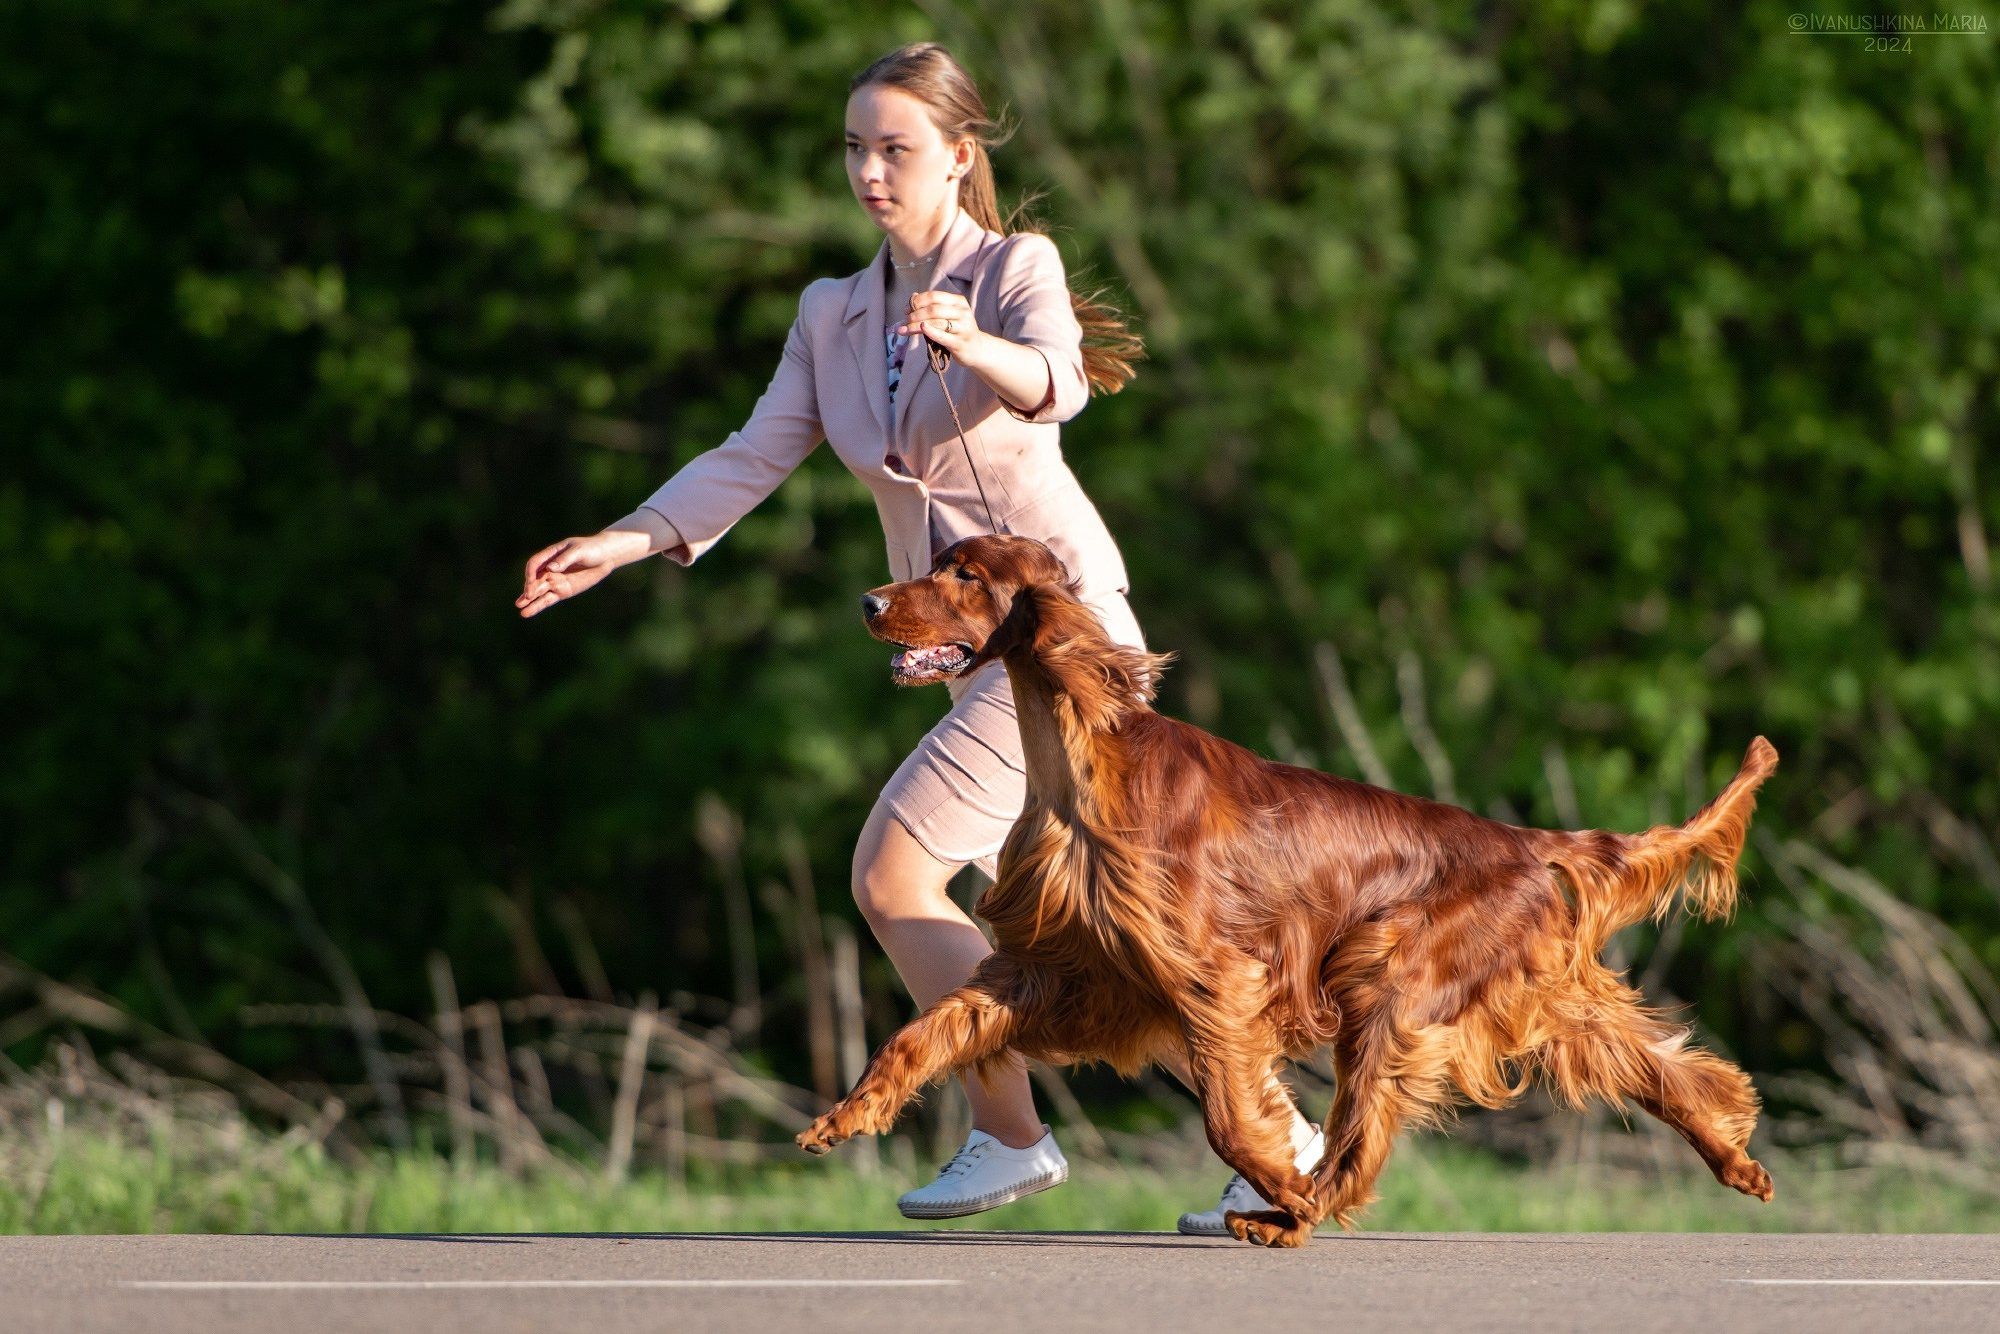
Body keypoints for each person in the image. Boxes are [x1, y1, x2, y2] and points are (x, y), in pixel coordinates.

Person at [514, 42, 1321, 1229]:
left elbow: (1059, 383)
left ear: (958, 156)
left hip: (1056, 643)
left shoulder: (1012, 268)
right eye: (854, 149)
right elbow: (753, 452)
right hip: (965, 657)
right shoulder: (831, 312)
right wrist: (626, 540)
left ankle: (1007, 1134)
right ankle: (1279, 1130)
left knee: (892, 869)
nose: (869, 172)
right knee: (1098, 933)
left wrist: (967, 340)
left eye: (893, 149)